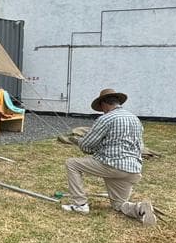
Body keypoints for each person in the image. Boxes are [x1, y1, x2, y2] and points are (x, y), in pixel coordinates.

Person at [62, 87, 156, 226]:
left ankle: (80, 204)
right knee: (118, 205)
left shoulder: (106, 118)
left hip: (111, 165)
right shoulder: (135, 119)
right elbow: (140, 147)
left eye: (101, 108)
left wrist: (78, 141)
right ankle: (140, 208)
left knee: (72, 163)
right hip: (133, 169)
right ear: (117, 102)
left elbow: (87, 145)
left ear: (103, 104)